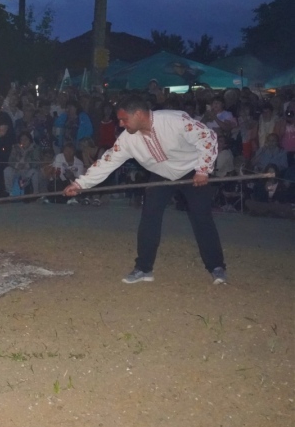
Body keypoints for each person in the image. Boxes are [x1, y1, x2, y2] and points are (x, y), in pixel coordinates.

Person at [64, 95, 227, 285]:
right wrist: (79, 184)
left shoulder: (175, 120)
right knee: (149, 217)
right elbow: (107, 162)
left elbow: (208, 137)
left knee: (201, 217)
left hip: (193, 171)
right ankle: (144, 268)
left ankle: (217, 267)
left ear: (139, 114)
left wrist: (203, 169)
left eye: (124, 119)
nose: (121, 124)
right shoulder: (127, 140)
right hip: (161, 175)